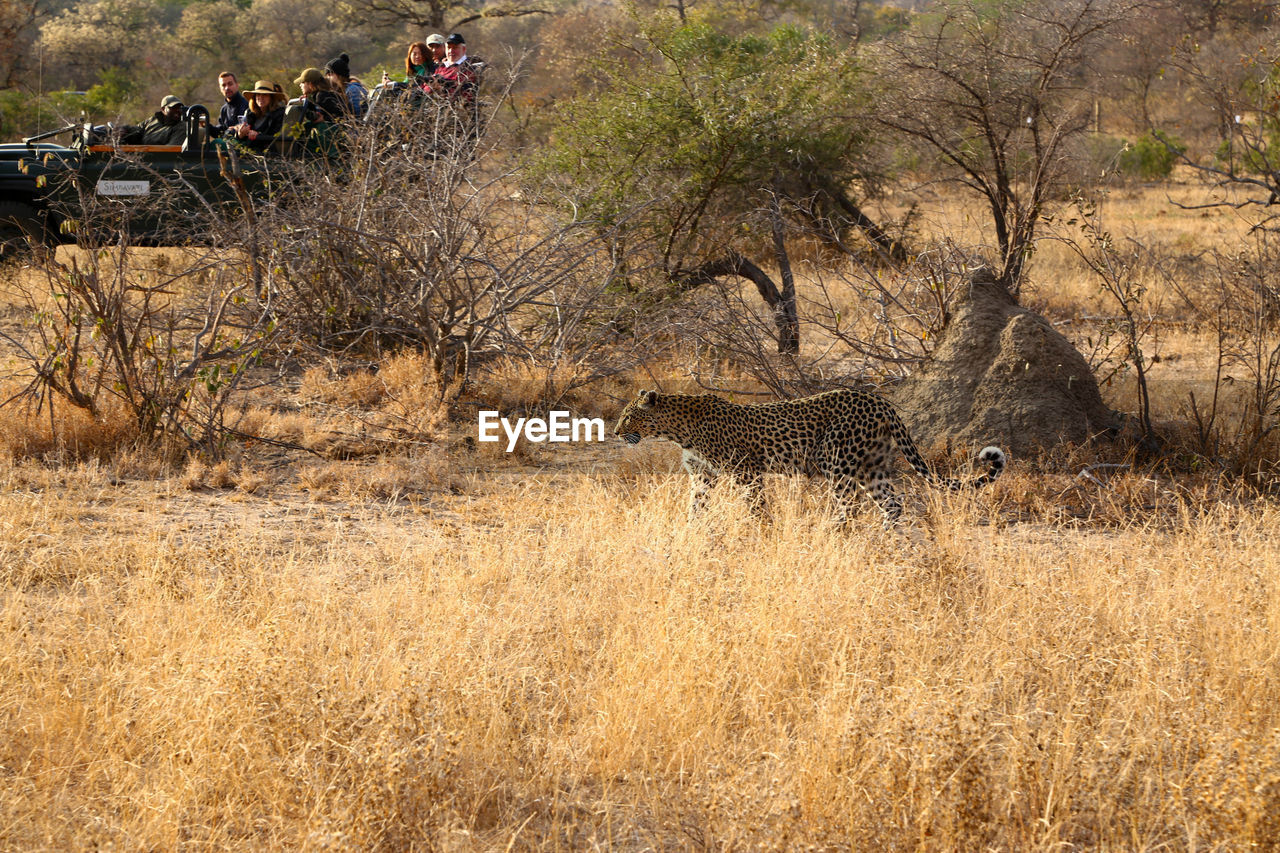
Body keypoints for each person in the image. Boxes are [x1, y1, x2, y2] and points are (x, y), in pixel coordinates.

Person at [234, 80, 286, 151]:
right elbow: (241, 138)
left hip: (265, 154)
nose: (261, 97)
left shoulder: (279, 114)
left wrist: (258, 135)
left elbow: (275, 138)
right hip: (247, 151)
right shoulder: (250, 113)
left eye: (265, 95)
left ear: (271, 98)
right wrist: (240, 134)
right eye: (258, 94)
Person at [427, 33, 479, 101]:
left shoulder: (468, 68)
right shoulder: (441, 67)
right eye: (449, 47)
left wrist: (440, 88)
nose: (451, 51)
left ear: (463, 49)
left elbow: (463, 93)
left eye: (455, 47)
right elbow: (426, 90)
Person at [122, 95, 188, 145]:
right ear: (163, 109)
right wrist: (123, 130)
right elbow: (137, 129)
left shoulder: (181, 127)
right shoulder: (152, 120)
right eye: (173, 108)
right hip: (140, 157)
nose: (177, 110)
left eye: (179, 108)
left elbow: (171, 152)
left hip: (158, 160)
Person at [324, 53, 368, 118]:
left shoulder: (353, 90)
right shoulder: (343, 89)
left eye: (330, 74)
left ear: (338, 74)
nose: (328, 77)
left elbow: (358, 115)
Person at [211, 71, 249, 137]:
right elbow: (219, 132)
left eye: (230, 84)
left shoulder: (247, 105)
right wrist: (205, 125)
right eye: (223, 85)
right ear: (220, 89)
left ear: (237, 85)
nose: (227, 88)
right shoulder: (224, 109)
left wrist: (231, 131)